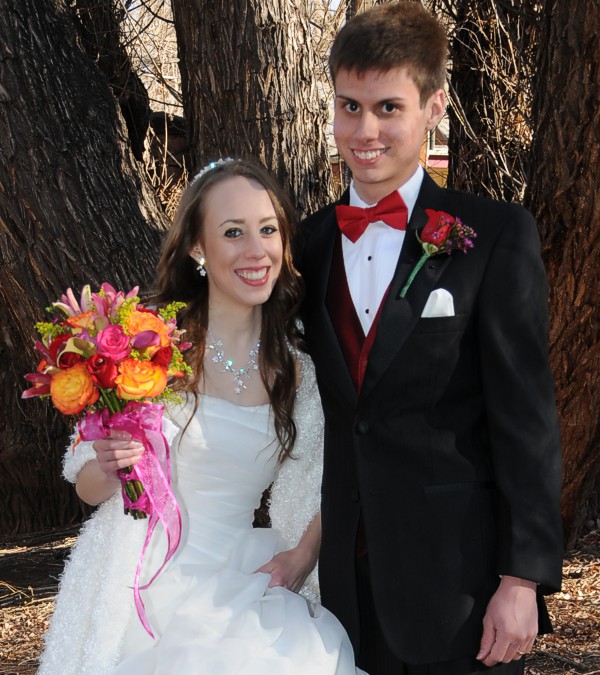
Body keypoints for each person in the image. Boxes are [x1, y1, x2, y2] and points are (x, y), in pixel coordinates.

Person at [297, 4, 563, 675]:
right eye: (349, 107)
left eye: (389, 107)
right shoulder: (307, 244)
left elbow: (526, 419)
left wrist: (521, 579)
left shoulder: (495, 235)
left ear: (433, 105)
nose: (366, 130)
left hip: (463, 590)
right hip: (345, 595)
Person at [39, 158, 365, 674]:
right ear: (197, 248)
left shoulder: (297, 368)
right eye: (233, 232)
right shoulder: (148, 346)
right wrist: (109, 461)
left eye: (268, 230)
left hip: (239, 587)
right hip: (137, 582)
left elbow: (332, 473)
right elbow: (85, 484)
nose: (256, 251)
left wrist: (304, 553)